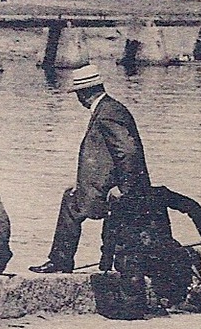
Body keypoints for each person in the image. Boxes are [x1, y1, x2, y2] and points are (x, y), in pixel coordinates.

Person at [31, 64, 152, 274]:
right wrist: (82, 183)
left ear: (84, 94)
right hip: (112, 186)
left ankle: (60, 261)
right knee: (72, 198)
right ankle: (62, 260)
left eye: (78, 94)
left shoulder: (107, 114)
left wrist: (123, 188)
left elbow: (128, 153)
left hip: (120, 191)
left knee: (71, 204)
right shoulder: (110, 108)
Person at [100, 186, 201, 313]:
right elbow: (192, 206)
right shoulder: (159, 193)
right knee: (190, 255)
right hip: (166, 253)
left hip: (138, 258)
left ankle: (165, 300)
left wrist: (106, 262)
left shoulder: (118, 199)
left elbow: (109, 234)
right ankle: (178, 300)